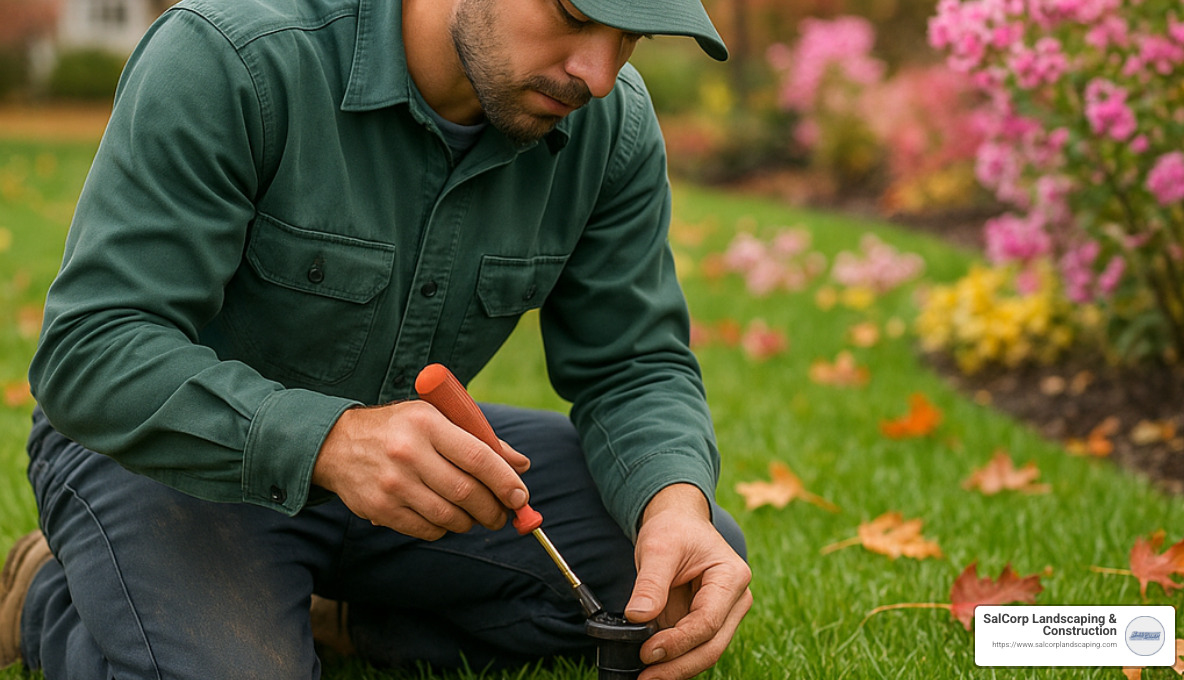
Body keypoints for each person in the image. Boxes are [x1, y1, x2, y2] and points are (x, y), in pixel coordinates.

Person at [0, 0, 753, 677]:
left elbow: (633, 364)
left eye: (630, 37)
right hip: (168, 461)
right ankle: (47, 601)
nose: (598, 73)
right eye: (576, 15)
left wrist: (673, 504)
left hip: (400, 479)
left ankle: (330, 613)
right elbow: (90, 349)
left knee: (672, 575)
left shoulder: (610, 125)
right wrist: (332, 442)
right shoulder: (233, 54)